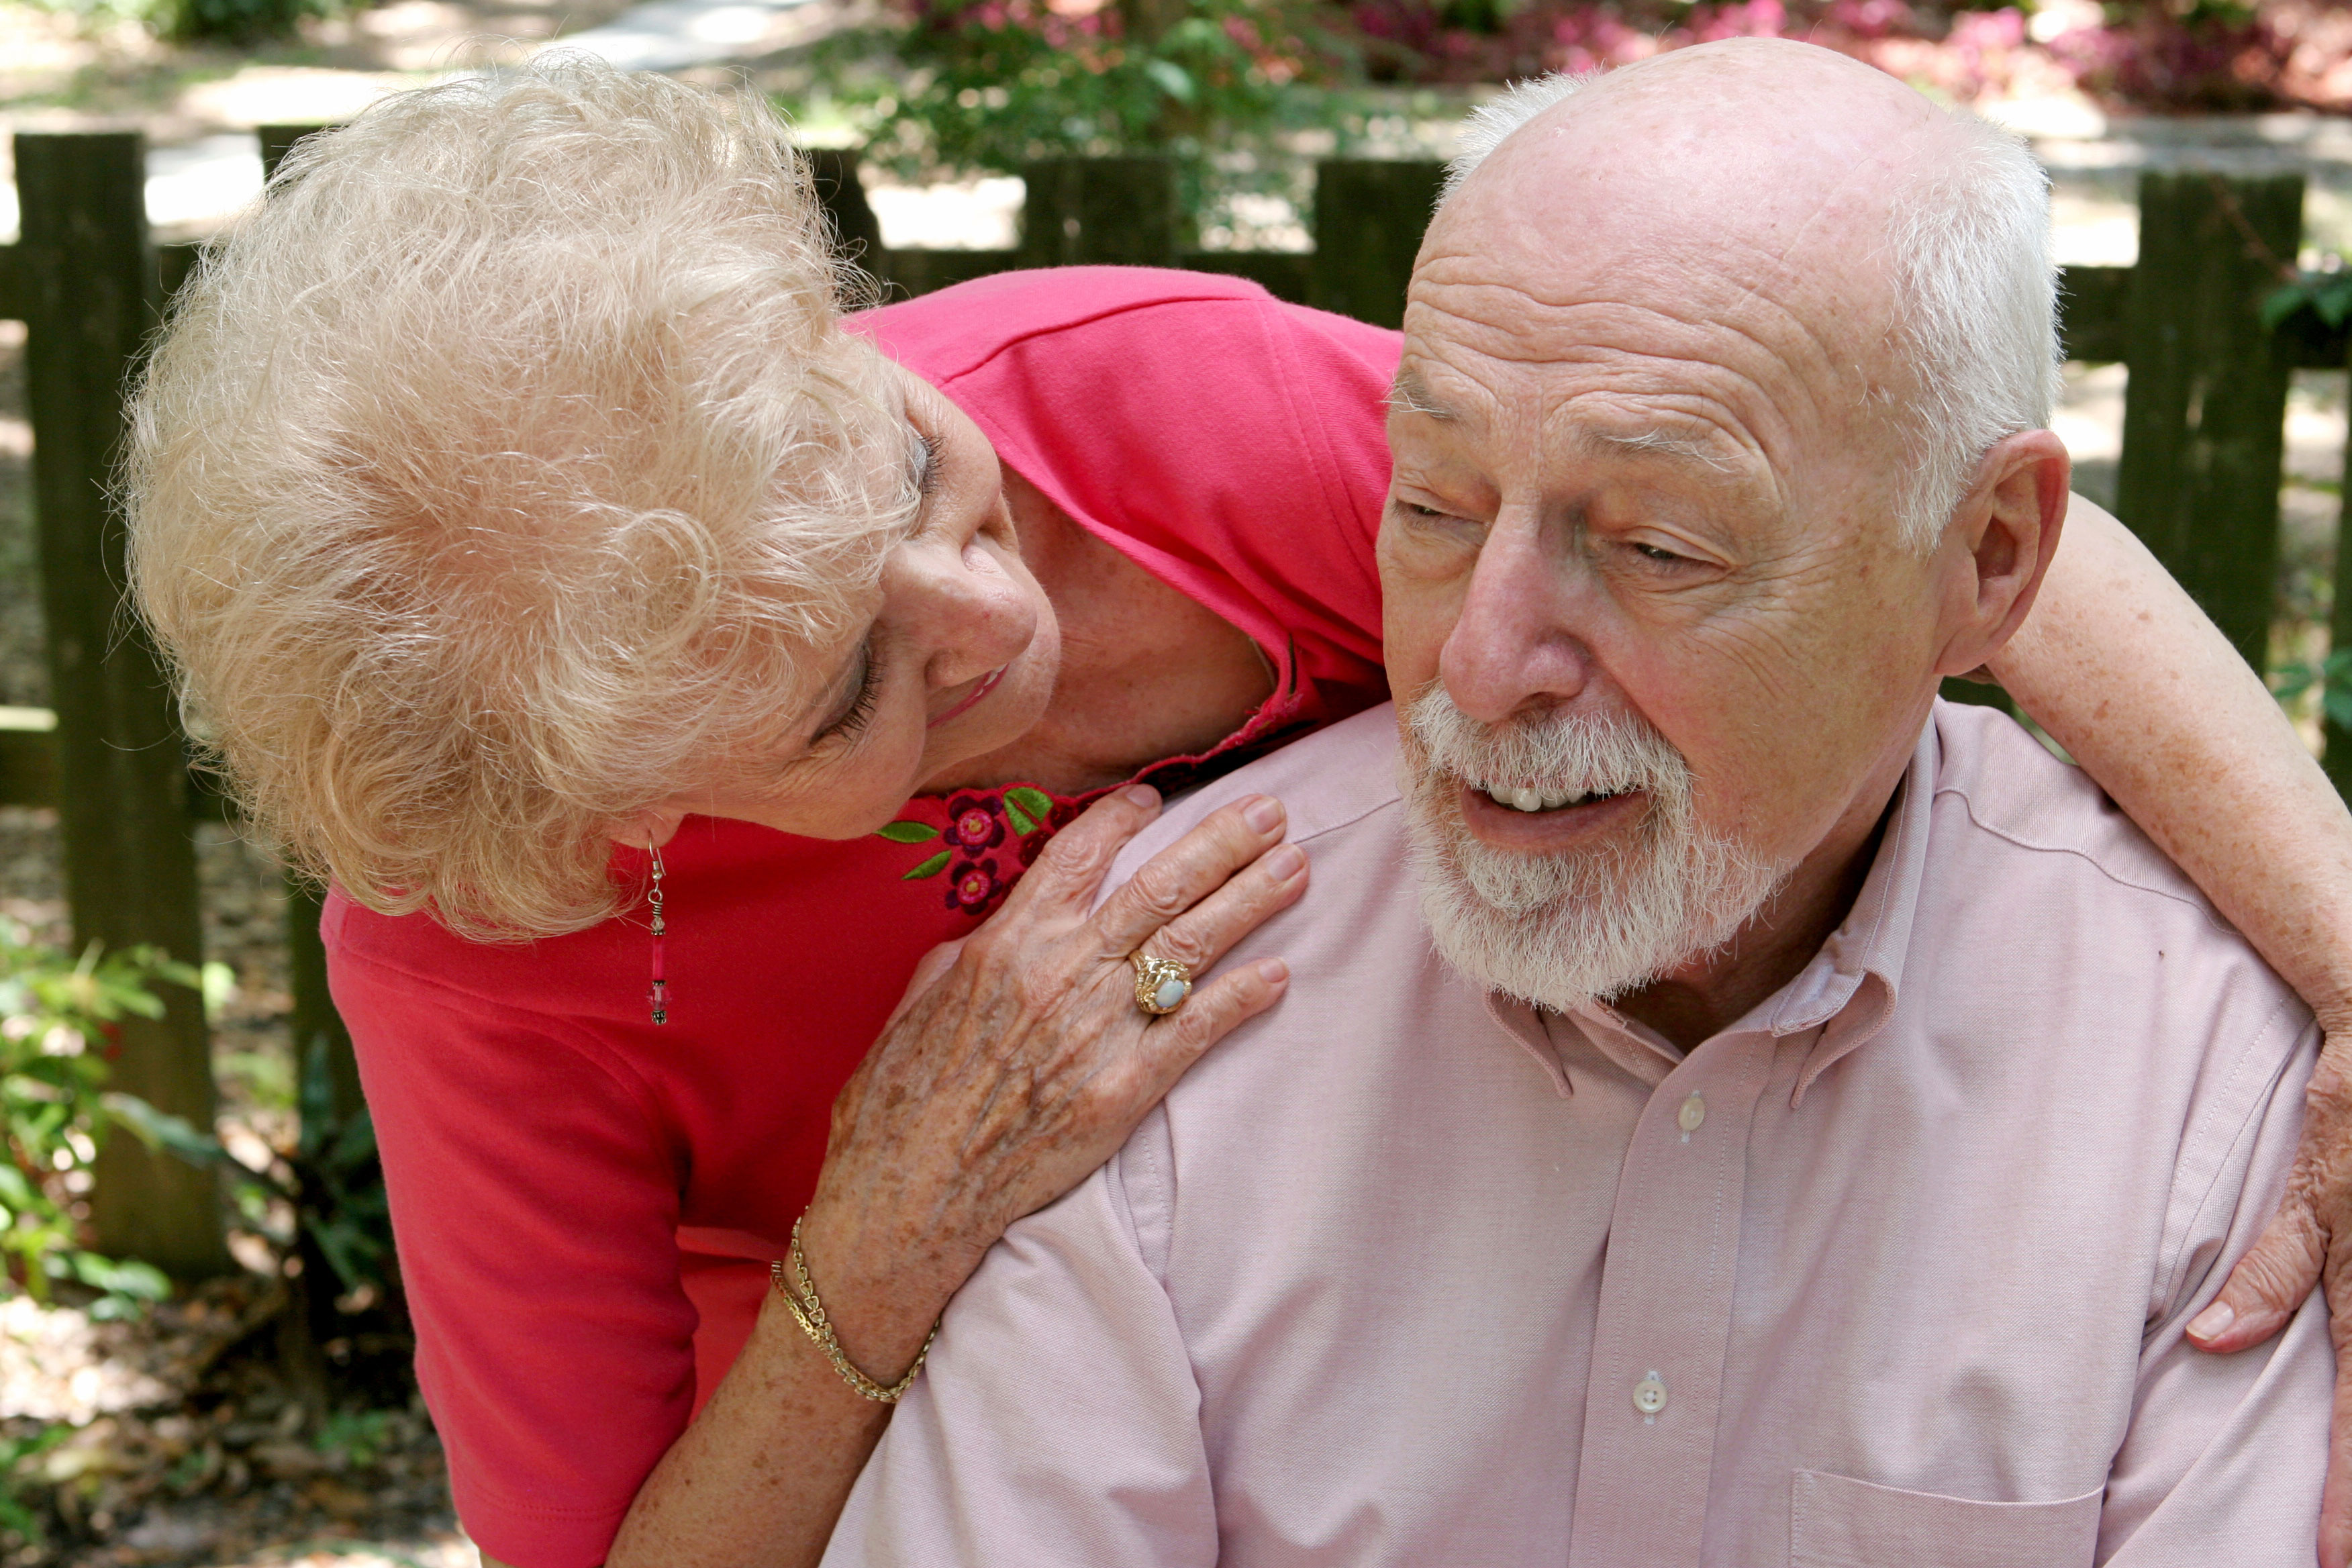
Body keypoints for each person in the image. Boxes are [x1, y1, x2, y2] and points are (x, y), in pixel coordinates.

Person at [121, 57, 2352, 1568]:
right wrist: (884, 1228)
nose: (991, 614)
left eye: (907, 465)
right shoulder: (482, 951)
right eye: (844, 689)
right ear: (600, 801)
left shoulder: (1148, 416)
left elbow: (1845, 514)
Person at [820, 44, 2333, 1567]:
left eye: (1662, 547)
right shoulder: (1139, 1018)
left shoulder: (2213, 1085)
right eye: (1428, 505)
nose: (1480, 666)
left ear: (1989, 560)